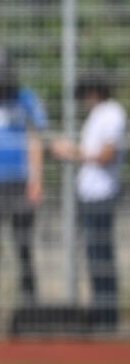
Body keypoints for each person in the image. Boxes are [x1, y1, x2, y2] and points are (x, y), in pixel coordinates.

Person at [0, 45, 47, 329]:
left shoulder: (23, 98)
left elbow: (35, 137)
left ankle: (30, 309)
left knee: (23, 247)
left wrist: (35, 180)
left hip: (19, 181)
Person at [50, 74, 125, 331]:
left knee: (101, 256)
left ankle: (107, 318)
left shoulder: (113, 113)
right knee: (94, 256)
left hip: (102, 194)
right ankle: (100, 313)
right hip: (89, 195)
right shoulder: (97, 115)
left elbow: (106, 154)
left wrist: (71, 151)